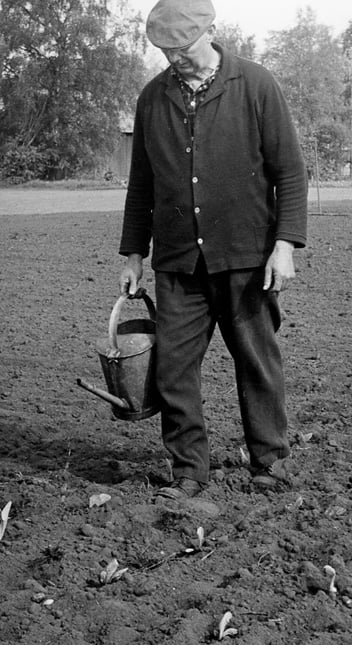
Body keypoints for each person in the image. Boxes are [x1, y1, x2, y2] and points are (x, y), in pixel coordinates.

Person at [118, 0, 307, 500]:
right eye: (166, 51)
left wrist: (284, 244)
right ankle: (187, 471)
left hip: (247, 254)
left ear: (211, 31)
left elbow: (290, 171)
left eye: (183, 48)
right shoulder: (153, 99)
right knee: (175, 366)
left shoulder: (256, 84)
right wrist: (134, 254)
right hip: (179, 260)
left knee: (256, 359)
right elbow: (142, 184)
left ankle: (268, 461)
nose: (175, 58)